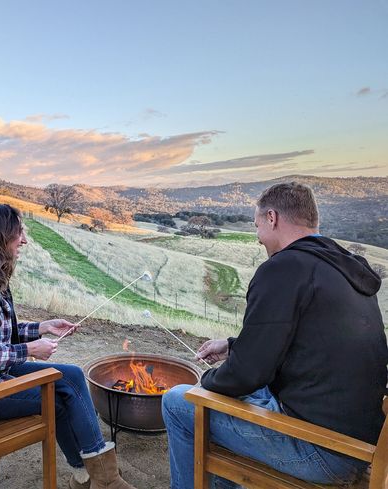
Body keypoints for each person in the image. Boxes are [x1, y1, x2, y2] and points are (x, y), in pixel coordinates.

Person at [162, 182, 388, 489]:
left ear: (272, 218)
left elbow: (246, 374)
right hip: (361, 444)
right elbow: (308, 345)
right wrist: (232, 347)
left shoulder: (284, 268)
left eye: (257, 227)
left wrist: (207, 383)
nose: (258, 239)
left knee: (179, 401)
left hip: (321, 450)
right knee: (232, 398)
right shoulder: (342, 268)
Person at [0, 204, 136, 489]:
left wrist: (42, 327)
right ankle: (97, 478)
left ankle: (88, 475)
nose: (24, 240)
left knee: (70, 376)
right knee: (58, 400)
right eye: (19, 232)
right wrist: (31, 350)